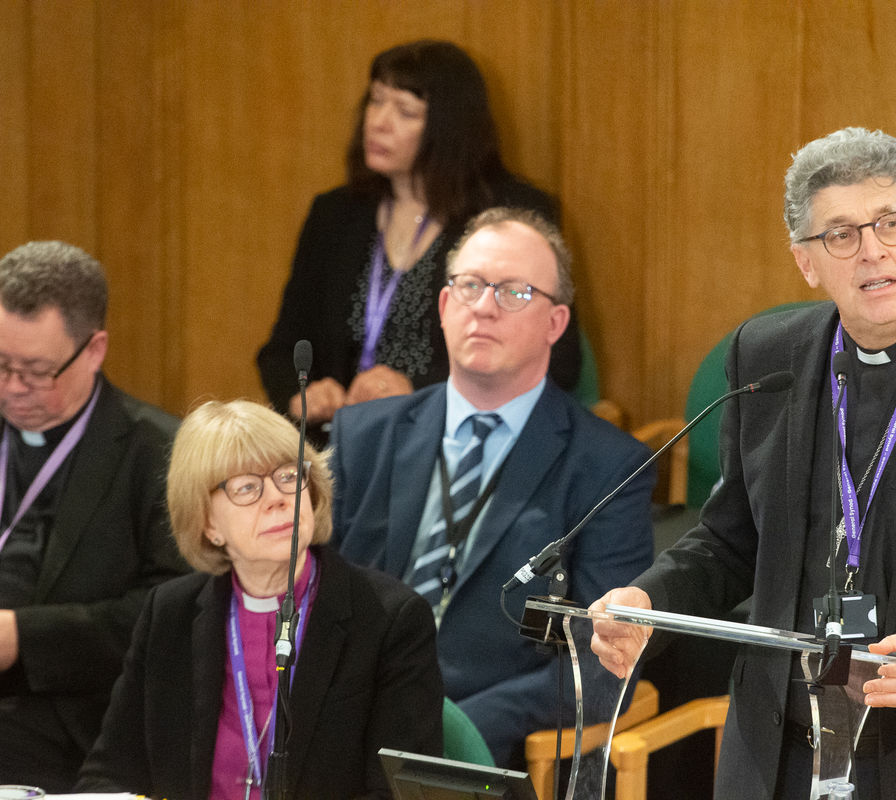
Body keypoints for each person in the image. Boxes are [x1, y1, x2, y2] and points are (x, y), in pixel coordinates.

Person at [590, 128, 896, 799]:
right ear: (807, 261)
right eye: (841, 234)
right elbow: (730, 540)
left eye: (890, 223)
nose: (872, 251)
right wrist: (650, 601)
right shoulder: (764, 356)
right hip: (774, 761)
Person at [331, 207, 654, 768]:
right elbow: (312, 602)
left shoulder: (607, 467)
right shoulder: (362, 436)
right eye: (470, 286)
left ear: (555, 324)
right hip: (342, 728)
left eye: (512, 292)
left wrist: (451, 730)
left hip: (481, 745)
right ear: (444, 305)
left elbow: (603, 665)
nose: (483, 307)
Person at [76, 399, 443, 798]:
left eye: (289, 476)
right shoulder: (170, 613)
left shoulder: (389, 618)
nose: (278, 498)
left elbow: (399, 794)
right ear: (208, 523)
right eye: (247, 487)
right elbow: (109, 775)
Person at [257, 39, 581, 441]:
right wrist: (302, 391)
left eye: (405, 111)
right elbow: (283, 347)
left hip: (458, 442)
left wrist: (420, 389)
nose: (378, 122)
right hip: (338, 447)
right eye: (376, 102)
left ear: (450, 128)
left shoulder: (513, 220)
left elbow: (557, 360)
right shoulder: (336, 214)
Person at [0, 241, 189, 791]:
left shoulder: (159, 454)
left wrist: (24, 639)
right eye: (2, 364)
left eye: (35, 370)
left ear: (94, 349)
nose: (12, 388)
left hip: (73, 726)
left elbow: (170, 614)